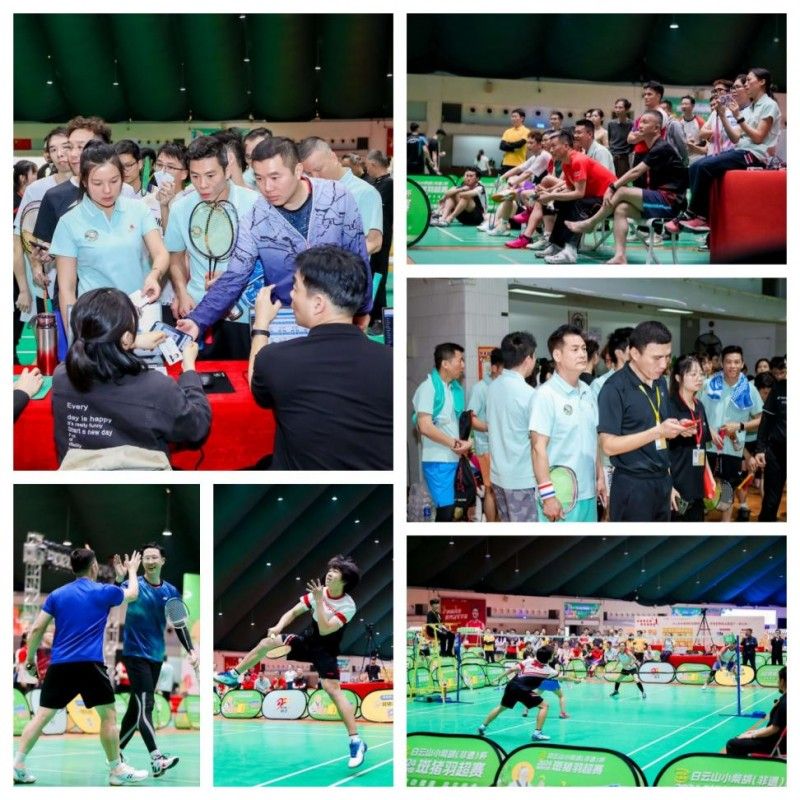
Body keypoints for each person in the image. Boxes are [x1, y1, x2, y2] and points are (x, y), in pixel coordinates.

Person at [176, 137, 372, 341]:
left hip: (337, 317)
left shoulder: (337, 197)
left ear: (298, 170)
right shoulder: (255, 219)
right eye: (259, 179)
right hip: (287, 322)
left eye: (275, 177)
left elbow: (358, 256)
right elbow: (234, 276)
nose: (267, 187)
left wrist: (363, 308)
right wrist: (197, 320)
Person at [214, 555, 368, 769]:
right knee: (267, 642)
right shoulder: (319, 592)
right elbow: (294, 612)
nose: (330, 573)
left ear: (345, 581)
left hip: (326, 650)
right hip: (307, 641)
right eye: (330, 569)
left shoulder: (348, 606)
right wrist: (278, 626)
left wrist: (319, 601)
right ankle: (234, 675)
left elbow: (325, 629)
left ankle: (356, 742)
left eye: (336, 571)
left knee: (333, 691)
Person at [247, 246, 392, 470]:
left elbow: (257, 385)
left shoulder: (277, 359)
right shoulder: (391, 361)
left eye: (296, 288)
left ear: (317, 304)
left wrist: (261, 324)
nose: (291, 295)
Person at [14, 548, 149, 786]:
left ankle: (17, 765)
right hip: (90, 665)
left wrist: (30, 659)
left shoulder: (57, 595)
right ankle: (116, 769)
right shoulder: (103, 591)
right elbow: (133, 593)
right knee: (108, 716)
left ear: (73, 568)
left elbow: (36, 629)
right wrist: (131, 571)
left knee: (41, 716)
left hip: (60, 666)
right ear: (94, 566)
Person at [51, 288, 210, 465]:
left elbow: (96, 345)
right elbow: (197, 426)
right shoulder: (157, 387)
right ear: (126, 337)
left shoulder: (61, 377)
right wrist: (189, 371)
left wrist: (132, 342)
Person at [50, 143, 169, 330]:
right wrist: (73, 335)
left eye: (114, 181)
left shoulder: (138, 209)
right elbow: (67, 289)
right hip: (96, 319)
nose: (107, 190)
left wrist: (155, 275)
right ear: (84, 181)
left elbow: (161, 253)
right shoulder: (69, 222)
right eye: (97, 183)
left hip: (140, 311)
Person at [163, 135, 260, 359]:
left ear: (227, 171)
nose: (202, 185)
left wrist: (230, 279)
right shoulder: (180, 208)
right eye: (195, 176)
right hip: (198, 311)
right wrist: (181, 292)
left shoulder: (255, 204)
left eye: (210, 175)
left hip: (245, 313)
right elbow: (175, 257)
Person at [113, 542, 197, 778]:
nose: (150, 561)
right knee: (146, 704)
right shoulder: (134, 584)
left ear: (162, 561)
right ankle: (156, 758)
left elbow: (179, 625)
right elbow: (117, 597)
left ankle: (116, 754)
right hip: (135, 654)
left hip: (156, 656)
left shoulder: (170, 591)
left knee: (135, 709)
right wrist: (119, 579)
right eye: (146, 558)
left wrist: (191, 650)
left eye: (154, 557)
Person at [565, 110, 688, 264]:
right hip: (656, 199)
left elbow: (635, 172)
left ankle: (590, 223)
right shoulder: (649, 149)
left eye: (645, 122)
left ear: (657, 128)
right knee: (621, 208)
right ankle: (620, 256)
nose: (640, 125)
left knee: (621, 191)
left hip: (670, 202)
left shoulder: (662, 147)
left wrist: (612, 187)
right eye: (640, 122)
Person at [598, 321, 688, 521]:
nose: (664, 365)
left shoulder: (660, 382)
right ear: (634, 353)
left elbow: (659, 431)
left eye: (667, 356)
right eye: (656, 358)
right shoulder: (614, 388)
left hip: (662, 481)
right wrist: (658, 432)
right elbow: (608, 445)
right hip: (632, 485)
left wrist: (676, 429)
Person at [676, 68, 782, 234]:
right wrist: (724, 116)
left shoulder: (769, 105)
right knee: (695, 166)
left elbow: (758, 138)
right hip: (741, 150)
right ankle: (697, 214)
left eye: (749, 80)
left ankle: (698, 216)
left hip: (755, 155)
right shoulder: (750, 108)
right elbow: (735, 138)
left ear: (762, 82)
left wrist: (738, 117)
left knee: (704, 167)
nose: (746, 84)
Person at [530, 325, 606, 522]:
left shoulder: (588, 391)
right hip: (561, 496)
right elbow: (538, 448)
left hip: (588, 493)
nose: (582, 354)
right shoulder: (545, 395)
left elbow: (592, 439)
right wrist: (548, 496)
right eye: (575, 349)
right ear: (557, 355)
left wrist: (599, 477)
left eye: (584, 349)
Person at [535, 130, 616, 265]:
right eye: (550, 147)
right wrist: (549, 193)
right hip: (593, 198)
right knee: (562, 202)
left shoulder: (578, 160)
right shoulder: (566, 164)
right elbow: (569, 188)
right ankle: (557, 245)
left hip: (609, 199)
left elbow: (579, 193)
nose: (551, 150)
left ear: (566, 146)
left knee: (576, 203)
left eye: (554, 146)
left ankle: (570, 251)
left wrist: (551, 195)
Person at [701, 345, 763, 522]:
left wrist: (740, 425)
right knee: (703, 486)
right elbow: (693, 410)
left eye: (736, 362)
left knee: (728, 488)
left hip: (733, 449)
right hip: (707, 446)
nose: (732, 366)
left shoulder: (749, 389)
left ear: (742, 364)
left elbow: (761, 419)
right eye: (728, 362)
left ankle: (725, 523)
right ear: (722, 363)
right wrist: (708, 429)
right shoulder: (707, 385)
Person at [412, 342, 471, 521]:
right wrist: (454, 443)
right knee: (446, 511)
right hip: (437, 461)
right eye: (460, 360)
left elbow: (455, 423)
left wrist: (466, 442)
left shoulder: (453, 389)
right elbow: (424, 426)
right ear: (445, 363)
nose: (463, 365)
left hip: (453, 458)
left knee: (454, 509)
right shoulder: (428, 388)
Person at [299, 137, 383, 256]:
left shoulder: (364, 192)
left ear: (333, 158)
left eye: (318, 169)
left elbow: (373, 242)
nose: (315, 177)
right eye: (308, 173)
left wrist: (338, 262)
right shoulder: (311, 193)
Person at [486, 332, 538, 522]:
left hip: (498, 475)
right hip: (521, 478)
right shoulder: (529, 394)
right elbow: (537, 441)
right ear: (528, 359)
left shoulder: (492, 387)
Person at [478, 647, 555, 741]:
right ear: (549, 658)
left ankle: (483, 726)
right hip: (523, 691)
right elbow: (561, 677)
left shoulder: (528, 661)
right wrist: (570, 678)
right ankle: (537, 733)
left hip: (512, 686)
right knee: (544, 706)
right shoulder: (549, 671)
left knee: (501, 707)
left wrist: (499, 677)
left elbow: (512, 669)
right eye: (553, 655)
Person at [667, 355, 711, 521]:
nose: (699, 378)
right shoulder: (669, 407)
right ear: (678, 378)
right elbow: (661, 451)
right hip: (677, 487)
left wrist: (709, 478)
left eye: (701, 373)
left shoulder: (700, 406)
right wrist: (669, 486)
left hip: (697, 486)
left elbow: (701, 446)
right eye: (693, 374)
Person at [467, 347, 503, 522]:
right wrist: (492, 427)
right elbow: (471, 419)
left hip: (503, 447)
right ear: (494, 368)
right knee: (490, 489)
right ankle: (492, 526)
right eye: (503, 369)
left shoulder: (504, 387)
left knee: (502, 489)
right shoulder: (480, 388)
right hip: (486, 447)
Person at [748, 377, 786, 521]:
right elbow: (766, 421)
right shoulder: (779, 388)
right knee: (771, 498)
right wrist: (760, 449)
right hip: (776, 451)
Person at [364, 149, 393, 335]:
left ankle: (380, 320)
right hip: (374, 236)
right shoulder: (377, 183)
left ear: (374, 165)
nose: (366, 169)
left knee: (378, 277)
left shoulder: (388, 184)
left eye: (368, 166)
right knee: (373, 275)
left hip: (381, 238)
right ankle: (373, 316)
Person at [726, 667, 786, 756]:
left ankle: (739, 765)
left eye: (778, 679)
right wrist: (754, 732)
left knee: (732, 744)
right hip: (778, 741)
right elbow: (773, 726)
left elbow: (774, 729)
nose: (777, 682)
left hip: (773, 744)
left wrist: (752, 735)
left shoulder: (785, 702)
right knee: (740, 738)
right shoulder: (784, 698)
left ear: (782, 681)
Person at [608, 98, 634, 178]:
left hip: (624, 157)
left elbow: (633, 143)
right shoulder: (611, 124)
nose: (617, 110)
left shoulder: (631, 124)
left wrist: (627, 152)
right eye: (616, 107)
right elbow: (610, 139)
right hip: (612, 156)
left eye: (620, 107)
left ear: (627, 109)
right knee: (610, 179)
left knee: (622, 181)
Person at [499, 108, 531, 174]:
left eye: (515, 116)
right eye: (512, 116)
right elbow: (501, 146)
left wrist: (508, 145)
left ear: (522, 118)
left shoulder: (526, 131)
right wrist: (514, 148)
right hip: (506, 163)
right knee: (506, 180)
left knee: (518, 181)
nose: (513, 118)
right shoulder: (507, 131)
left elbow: (519, 145)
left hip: (519, 164)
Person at [678, 96, 708, 165]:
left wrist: (694, 145)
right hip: (684, 156)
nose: (683, 106)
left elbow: (705, 141)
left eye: (686, 104)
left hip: (698, 156)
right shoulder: (678, 122)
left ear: (692, 106)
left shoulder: (700, 121)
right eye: (682, 104)